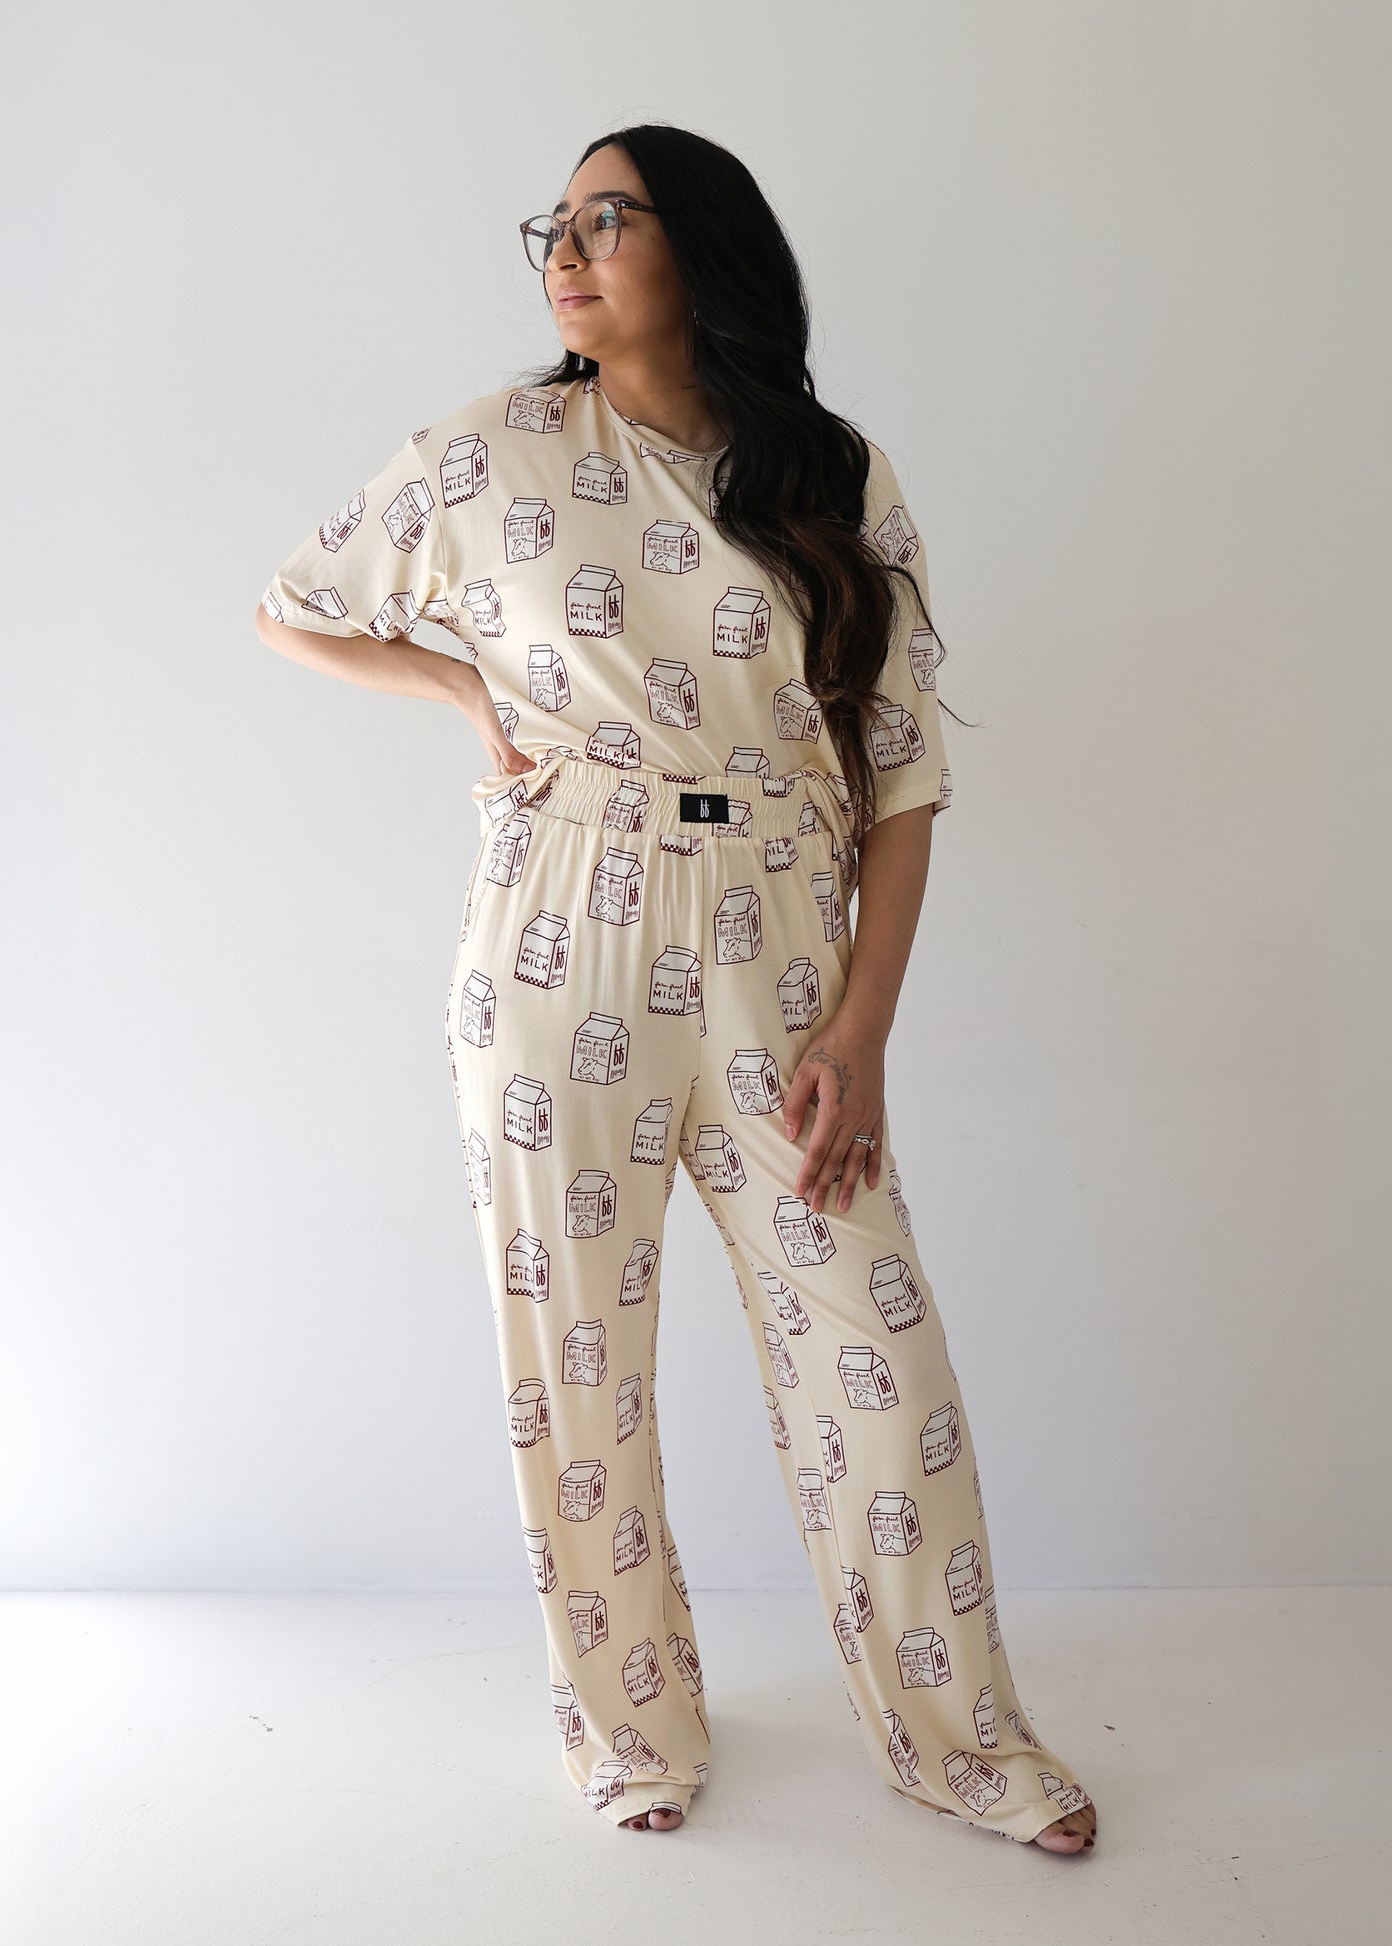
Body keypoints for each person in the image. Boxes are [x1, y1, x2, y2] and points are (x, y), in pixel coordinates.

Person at [254, 123, 1098, 1856]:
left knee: (870, 1344)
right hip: (563, 922)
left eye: (605, 217)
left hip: (783, 950)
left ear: (700, 251)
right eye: (549, 225)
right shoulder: (489, 454)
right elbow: (290, 608)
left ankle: (962, 1739)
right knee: (574, 1354)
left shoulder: (830, 475)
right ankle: (630, 1728)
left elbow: (903, 772)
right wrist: (465, 709)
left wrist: (859, 1030)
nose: (562, 249)